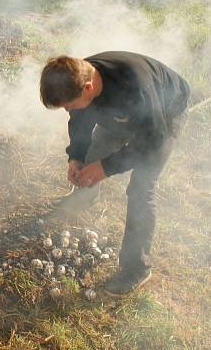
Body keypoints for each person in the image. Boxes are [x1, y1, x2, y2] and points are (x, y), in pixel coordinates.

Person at [39, 51, 190, 295]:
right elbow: (79, 121)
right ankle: (85, 196)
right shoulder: (76, 77)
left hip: (163, 115)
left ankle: (137, 268)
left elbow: (152, 140)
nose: (68, 109)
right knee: (96, 149)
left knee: (142, 187)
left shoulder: (136, 86)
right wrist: (75, 157)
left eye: (70, 105)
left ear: (88, 88)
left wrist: (107, 167)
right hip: (124, 113)